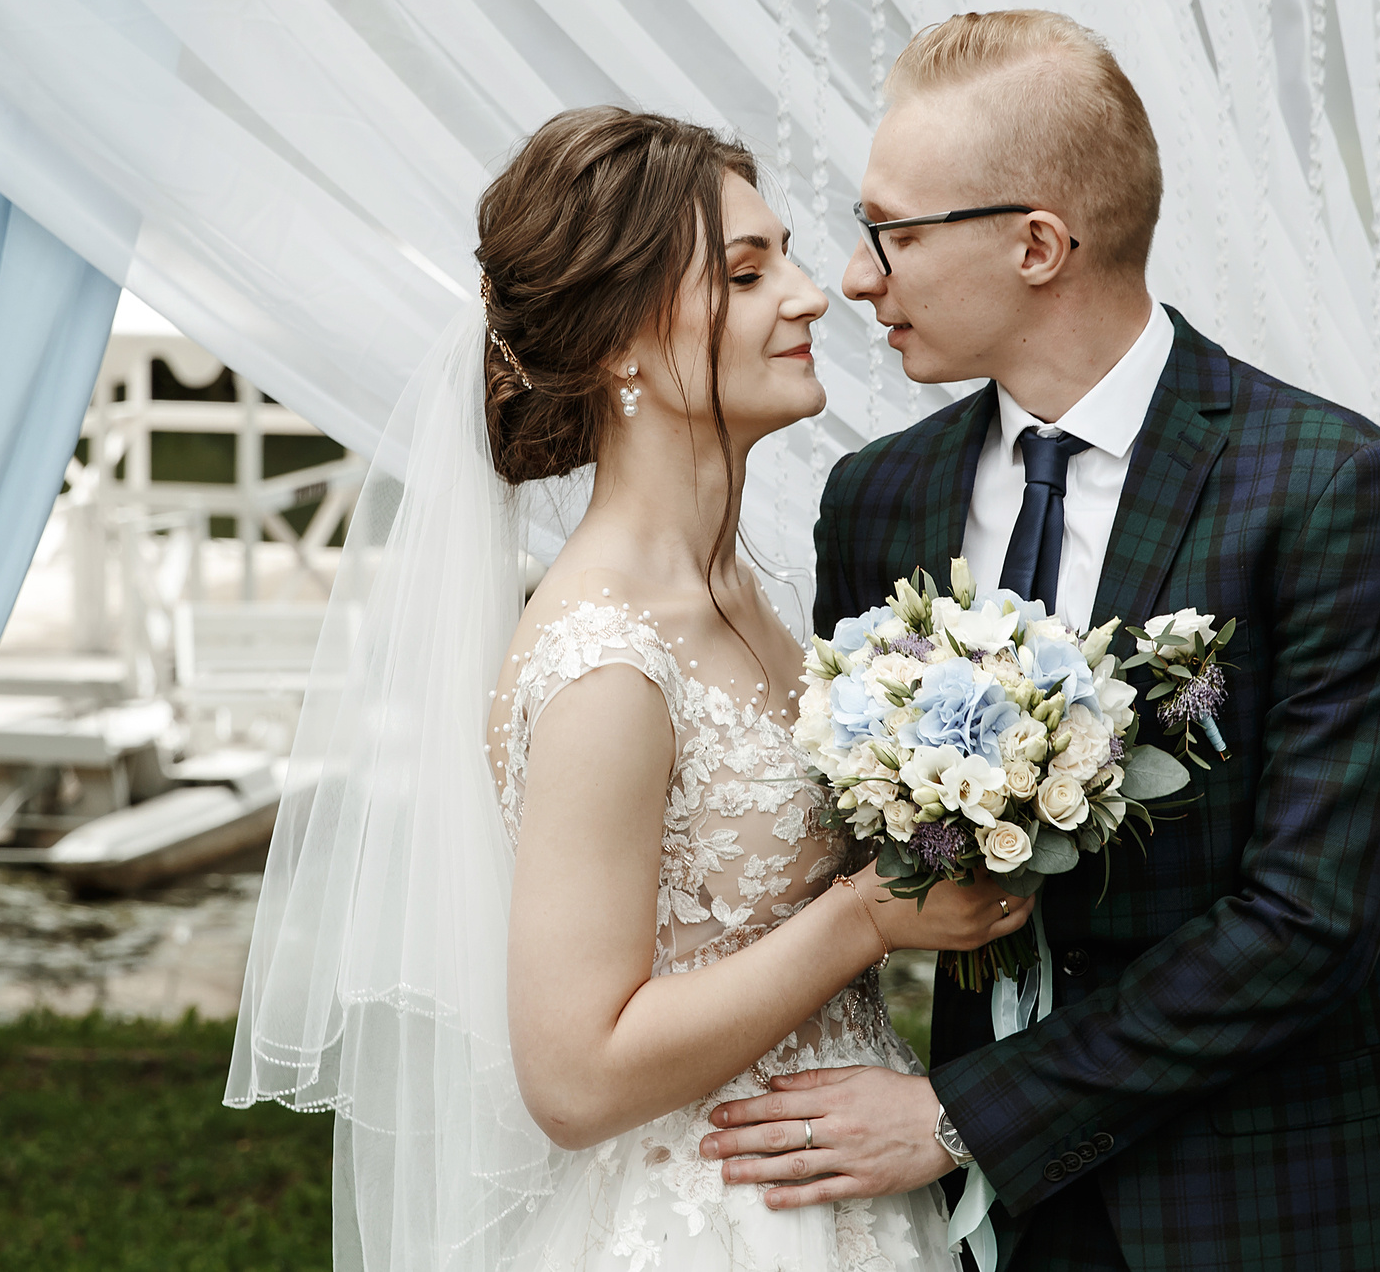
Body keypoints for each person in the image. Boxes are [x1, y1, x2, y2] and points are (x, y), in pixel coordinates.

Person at [696, 12, 1380, 1270]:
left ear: (1037, 243)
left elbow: (1308, 923)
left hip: (1266, 1203)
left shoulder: (1333, 488)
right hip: (980, 1233)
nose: (851, 275)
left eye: (890, 231)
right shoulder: (878, 499)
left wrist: (964, 1118)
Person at [230, 106, 1019, 1270]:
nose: (809, 295)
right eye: (747, 275)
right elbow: (574, 1076)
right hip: (711, 1221)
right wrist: (865, 919)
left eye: (786, 256)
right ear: (617, 347)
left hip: (844, 1188)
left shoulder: (746, 592)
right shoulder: (605, 660)